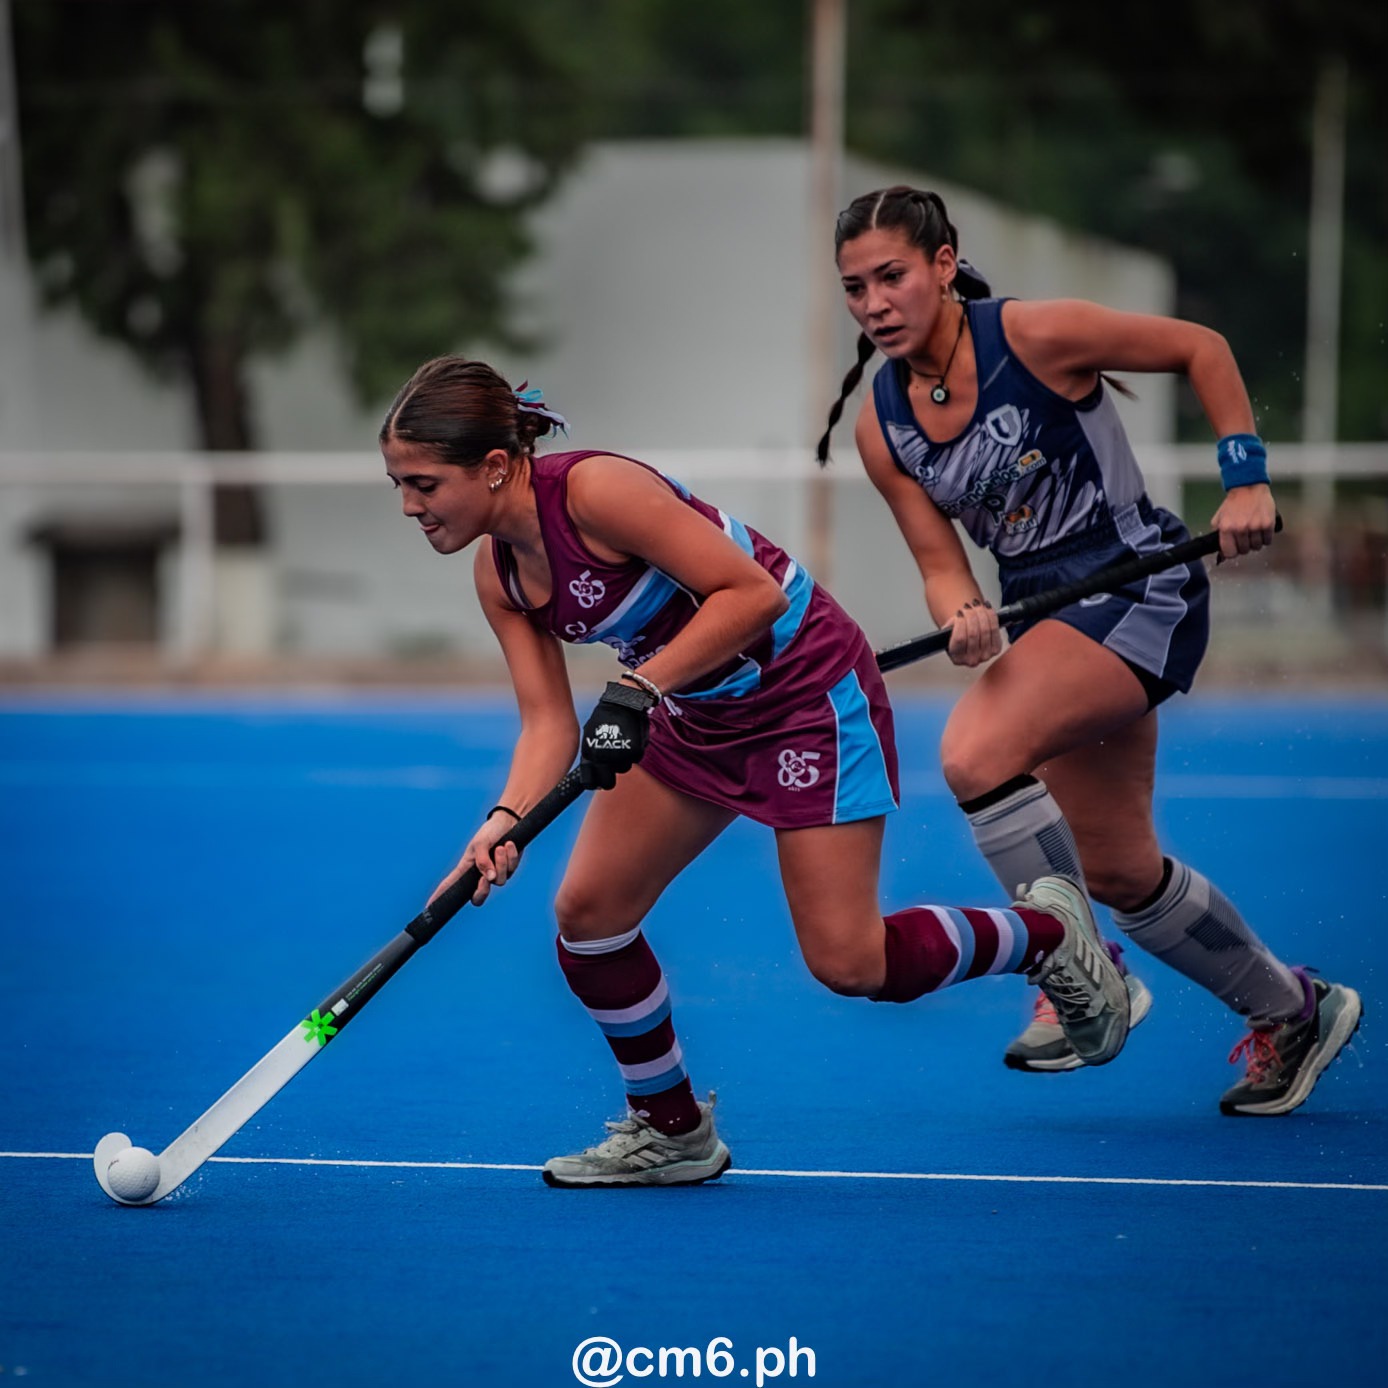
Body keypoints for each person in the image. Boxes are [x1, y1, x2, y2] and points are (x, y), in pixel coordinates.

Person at [379, 354, 1132, 1188]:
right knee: (590, 915)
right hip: (696, 716)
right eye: (398, 486)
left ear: (491, 468)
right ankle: (673, 1133)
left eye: (421, 483)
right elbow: (548, 722)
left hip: (807, 697)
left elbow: (751, 596)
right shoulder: (504, 576)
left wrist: (640, 685)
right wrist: (504, 821)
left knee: (852, 964)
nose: (409, 506)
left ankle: (1050, 933)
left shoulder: (595, 494)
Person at [816, 184, 1361, 1115]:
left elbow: (1203, 348)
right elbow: (941, 564)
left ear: (943, 265)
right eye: (855, 287)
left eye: (892, 276)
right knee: (1116, 867)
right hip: (1047, 614)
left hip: (1138, 583)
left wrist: (1245, 477)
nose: (874, 303)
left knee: (975, 752)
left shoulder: (1033, 335)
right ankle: (1294, 1008)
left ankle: (1074, 962)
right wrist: (963, 615)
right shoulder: (883, 425)